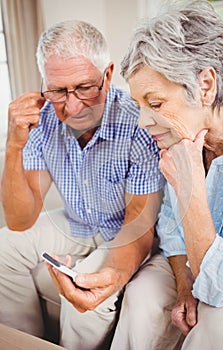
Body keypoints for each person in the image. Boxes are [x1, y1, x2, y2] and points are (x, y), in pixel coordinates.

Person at [0, 20, 164, 349]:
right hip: (79, 221)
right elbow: (20, 219)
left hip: (127, 229)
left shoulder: (139, 121)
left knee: (85, 299)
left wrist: (114, 273)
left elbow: (141, 223)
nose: (72, 107)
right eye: (58, 91)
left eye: (85, 87)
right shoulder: (43, 119)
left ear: (107, 74)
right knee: (4, 245)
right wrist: (15, 144)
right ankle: (26, 343)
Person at [111, 0, 223, 349]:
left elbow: (219, 288)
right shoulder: (184, 137)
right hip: (199, 268)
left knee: (217, 325)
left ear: (206, 86)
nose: (143, 122)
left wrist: (191, 184)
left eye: (157, 103)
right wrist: (183, 284)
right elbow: (170, 228)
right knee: (141, 296)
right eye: (140, 106)